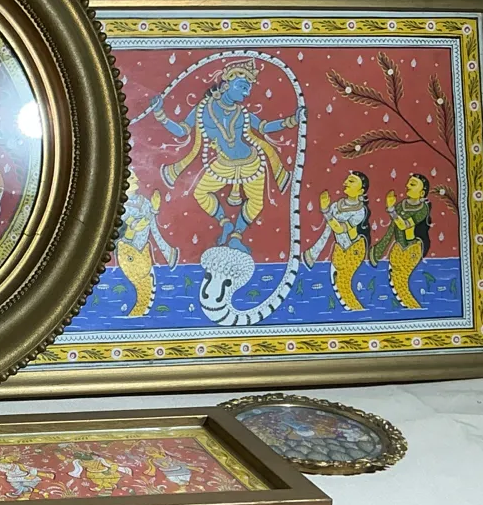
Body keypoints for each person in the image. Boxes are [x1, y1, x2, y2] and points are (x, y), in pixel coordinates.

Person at [150, 58, 298, 252]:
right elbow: (182, 131)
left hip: (251, 163)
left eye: (248, 89)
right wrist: (160, 115)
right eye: (242, 87)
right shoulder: (203, 110)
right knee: (201, 193)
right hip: (223, 165)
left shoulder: (242, 113)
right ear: (227, 84)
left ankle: (236, 236)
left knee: (256, 203)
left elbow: (264, 127)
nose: (246, 93)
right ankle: (225, 223)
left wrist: (291, 121)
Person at [115, 166, 178, 317]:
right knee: (142, 289)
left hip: (142, 251)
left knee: (148, 292)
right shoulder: (118, 205)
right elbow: (130, 228)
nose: (137, 179)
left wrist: (167, 252)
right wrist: (150, 213)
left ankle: (136, 316)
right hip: (128, 253)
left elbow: (153, 228)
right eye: (132, 178)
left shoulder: (144, 202)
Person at [306, 170, 373, 310]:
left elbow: (340, 229)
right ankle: (356, 311)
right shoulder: (336, 206)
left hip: (354, 250)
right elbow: (328, 230)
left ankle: (358, 312)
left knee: (343, 284)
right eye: (347, 180)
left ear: (361, 191)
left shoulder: (360, 211)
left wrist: (325, 211)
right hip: (340, 249)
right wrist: (313, 253)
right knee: (338, 284)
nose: (345, 183)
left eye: (351, 181)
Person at [372, 173, 433, 309]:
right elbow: (392, 229)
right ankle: (413, 308)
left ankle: (415, 309)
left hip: (414, 247)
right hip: (400, 247)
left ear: (422, 192)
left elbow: (403, 225)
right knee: (396, 281)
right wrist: (380, 248)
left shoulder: (423, 208)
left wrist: (391, 210)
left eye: (413, 184)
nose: (407, 186)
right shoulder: (402, 205)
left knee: (401, 282)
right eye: (408, 183)